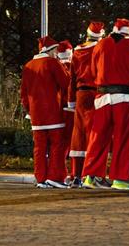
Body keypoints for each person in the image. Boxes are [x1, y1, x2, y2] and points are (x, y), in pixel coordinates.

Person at [82, 18, 129, 191]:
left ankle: (91, 176)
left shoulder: (101, 44)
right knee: (123, 138)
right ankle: (120, 178)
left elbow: (93, 69)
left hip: (102, 97)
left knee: (98, 138)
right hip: (124, 98)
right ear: (128, 31)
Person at [20, 35, 70, 189]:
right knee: (57, 145)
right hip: (53, 112)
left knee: (39, 148)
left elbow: (23, 93)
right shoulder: (52, 63)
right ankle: (55, 177)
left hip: (36, 115)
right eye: (55, 50)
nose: (57, 53)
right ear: (51, 49)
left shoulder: (28, 65)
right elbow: (65, 81)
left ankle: (40, 178)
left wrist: (30, 110)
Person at [68, 21, 105, 187]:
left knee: (79, 133)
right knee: (95, 134)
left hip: (80, 93)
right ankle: (91, 174)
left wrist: (71, 100)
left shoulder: (77, 51)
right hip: (96, 92)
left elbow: (72, 78)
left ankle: (76, 174)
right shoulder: (100, 49)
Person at [56, 40, 75, 184]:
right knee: (73, 143)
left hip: (58, 109)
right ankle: (74, 173)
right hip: (71, 110)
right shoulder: (71, 67)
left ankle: (60, 173)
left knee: (60, 144)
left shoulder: (55, 66)